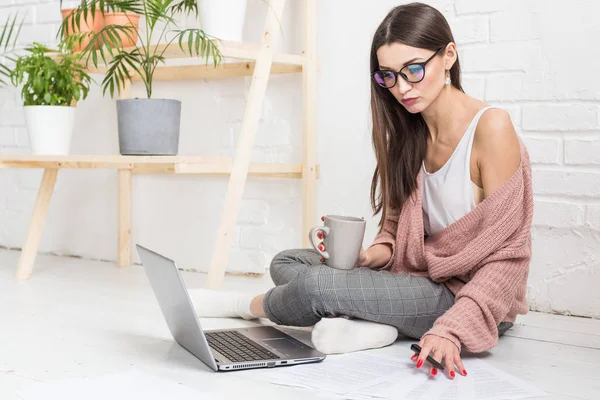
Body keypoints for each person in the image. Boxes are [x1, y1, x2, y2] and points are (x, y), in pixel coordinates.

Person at [192, 2, 533, 380]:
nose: (401, 88)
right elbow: (394, 233)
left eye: (414, 70)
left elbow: (509, 256)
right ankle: (378, 326)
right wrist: (367, 257)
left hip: (467, 298)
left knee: (316, 285)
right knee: (287, 262)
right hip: (417, 279)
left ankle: (244, 306)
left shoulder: (491, 128)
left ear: (448, 55)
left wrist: (452, 331)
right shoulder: (409, 134)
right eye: (388, 75)